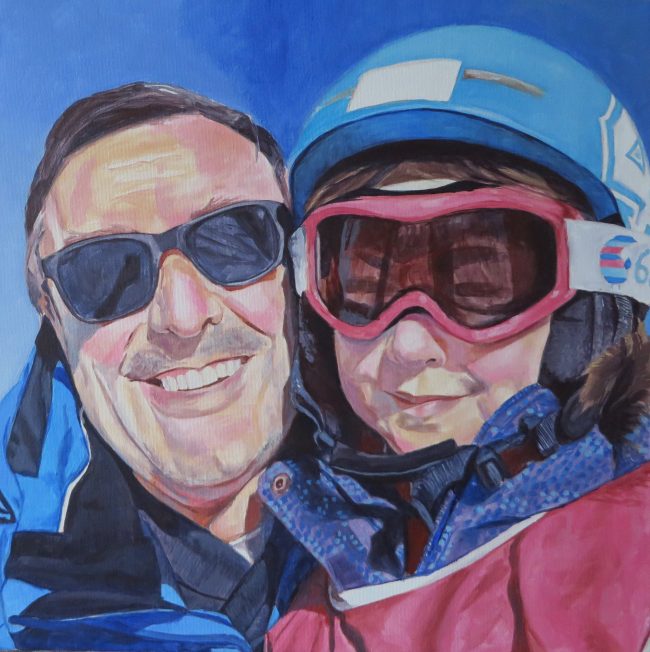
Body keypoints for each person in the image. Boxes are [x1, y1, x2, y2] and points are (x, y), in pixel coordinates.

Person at [261, 26, 650, 650]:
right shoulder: (304, 603)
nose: (410, 344)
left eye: (480, 277)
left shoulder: (625, 562)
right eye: (364, 277)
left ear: (595, 308)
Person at [0, 83, 311, 651]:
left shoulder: (441, 492)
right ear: (52, 313)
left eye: (234, 237)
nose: (184, 317)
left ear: (298, 263)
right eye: (106, 269)